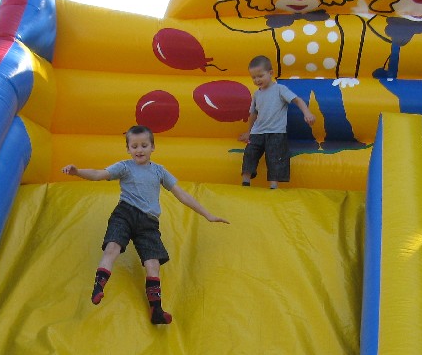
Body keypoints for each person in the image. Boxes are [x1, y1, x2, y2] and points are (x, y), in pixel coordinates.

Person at [62, 125, 228, 325]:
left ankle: (156, 310)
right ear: (128, 149)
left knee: (153, 264)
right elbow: (98, 174)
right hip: (125, 213)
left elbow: (181, 194)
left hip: (148, 222)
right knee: (112, 247)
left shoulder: (159, 171)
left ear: (152, 147)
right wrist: (77, 171)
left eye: (144, 145)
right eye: (134, 146)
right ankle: (98, 287)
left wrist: (208, 214)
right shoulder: (124, 167)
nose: (139, 150)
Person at [239, 55, 315, 189]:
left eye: (260, 76)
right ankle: (245, 182)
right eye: (254, 77)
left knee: (275, 158)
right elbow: (253, 114)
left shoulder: (280, 89)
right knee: (249, 154)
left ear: (271, 73)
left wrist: (307, 113)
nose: (257, 80)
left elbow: (297, 100)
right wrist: (249, 132)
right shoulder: (257, 94)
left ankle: (273, 186)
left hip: (276, 132)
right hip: (257, 132)